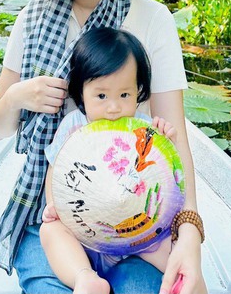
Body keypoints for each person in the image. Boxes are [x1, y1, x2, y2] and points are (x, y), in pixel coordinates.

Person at [0, 0, 206, 294]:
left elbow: (175, 137)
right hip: (50, 210)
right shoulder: (32, 18)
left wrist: (189, 232)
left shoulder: (153, 20)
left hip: (135, 206)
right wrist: (19, 97)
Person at [40, 26, 179, 294]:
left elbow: (164, 173)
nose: (114, 107)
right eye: (101, 96)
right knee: (51, 231)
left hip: (134, 233)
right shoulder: (73, 127)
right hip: (84, 233)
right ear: (81, 92)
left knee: (167, 240)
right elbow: (56, 170)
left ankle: (177, 275)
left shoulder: (142, 128)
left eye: (124, 95)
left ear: (138, 91)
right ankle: (84, 278)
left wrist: (166, 141)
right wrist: (54, 204)